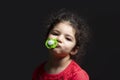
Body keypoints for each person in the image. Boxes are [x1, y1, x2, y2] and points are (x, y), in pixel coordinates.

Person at [32, 9, 91, 80]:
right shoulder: (38, 71)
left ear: (74, 50)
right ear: (47, 38)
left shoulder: (78, 75)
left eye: (68, 38)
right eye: (55, 33)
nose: (59, 39)